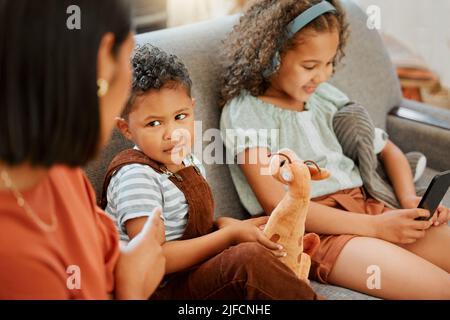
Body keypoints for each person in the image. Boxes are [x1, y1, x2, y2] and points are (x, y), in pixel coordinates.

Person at [220, 0, 450, 299]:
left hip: (370, 206)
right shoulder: (245, 113)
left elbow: (388, 150)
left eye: (329, 63)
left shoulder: (325, 96)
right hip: (319, 232)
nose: (323, 75)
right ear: (271, 56)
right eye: (310, 66)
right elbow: (278, 203)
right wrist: (376, 228)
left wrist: (407, 199)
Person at [102, 44, 321, 300]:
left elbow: (192, 228)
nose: (173, 133)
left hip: (192, 275)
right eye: (154, 123)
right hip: (158, 288)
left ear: (193, 108)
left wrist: (225, 226)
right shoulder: (135, 177)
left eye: (181, 116)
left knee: (267, 240)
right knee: (247, 260)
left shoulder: (190, 161)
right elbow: (153, 258)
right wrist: (228, 236)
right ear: (126, 128)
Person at [0, 0, 165, 299]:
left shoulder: (59, 169)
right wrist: (133, 291)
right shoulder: (12, 263)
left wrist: (131, 263)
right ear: (103, 62)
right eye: (128, 56)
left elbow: (110, 261)